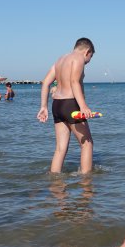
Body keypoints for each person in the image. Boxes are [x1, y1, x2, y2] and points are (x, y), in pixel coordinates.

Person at [37, 38, 96, 173]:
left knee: (60, 148)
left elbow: (45, 83)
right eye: (90, 58)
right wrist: (83, 106)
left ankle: (55, 182)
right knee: (87, 144)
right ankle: (86, 183)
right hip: (71, 105)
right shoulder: (79, 58)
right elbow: (74, 82)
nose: (88, 62)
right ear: (87, 51)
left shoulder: (60, 60)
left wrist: (44, 106)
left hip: (57, 105)